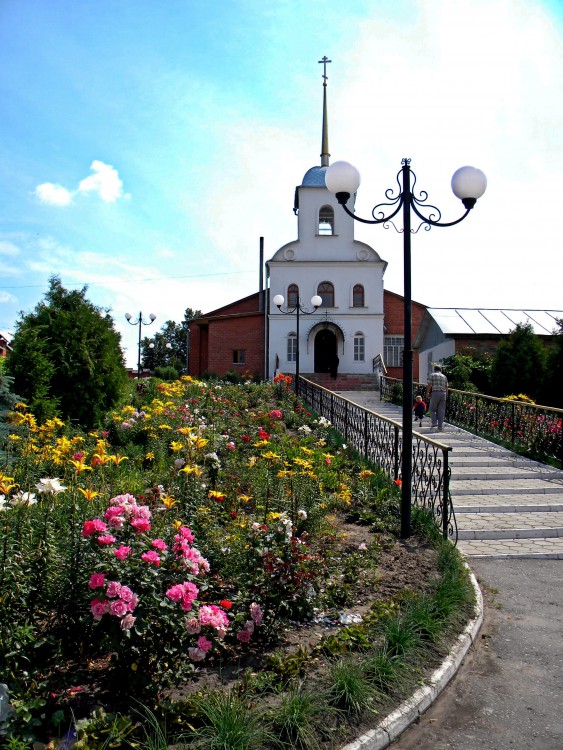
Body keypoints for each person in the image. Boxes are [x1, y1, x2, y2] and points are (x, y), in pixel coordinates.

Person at [426, 365, 448, 431]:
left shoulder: (432, 375)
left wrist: (427, 392)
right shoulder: (444, 376)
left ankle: (434, 422)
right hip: (443, 393)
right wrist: (446, 394)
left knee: (432, 409)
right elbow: (446, 387)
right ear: (440, 370)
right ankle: (440, 426)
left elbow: (429, 384)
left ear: (434, 369)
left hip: (435, 392)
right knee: (441, 410)